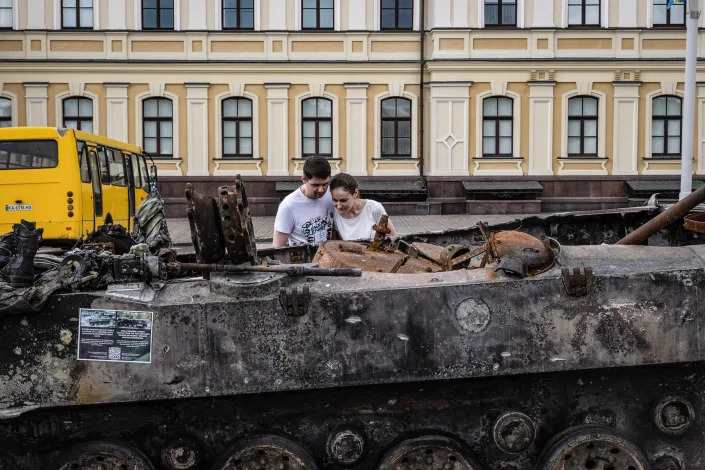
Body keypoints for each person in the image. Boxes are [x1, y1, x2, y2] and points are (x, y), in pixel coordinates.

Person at [273, 156, 334, 247]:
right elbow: (277, 247)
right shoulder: (288, 206)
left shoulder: (333, 195)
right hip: (303, 260)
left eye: (325, 184)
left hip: (330, 257)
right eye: (315, 185)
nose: (321, 190)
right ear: (304, 179)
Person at [330, 173, 397, 240]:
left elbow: (393, 238)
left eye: (343, 200)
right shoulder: (335, 213)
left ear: (355, 193)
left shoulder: (374, 208)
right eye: (335, 200)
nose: (338, 206)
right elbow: (341, 244)